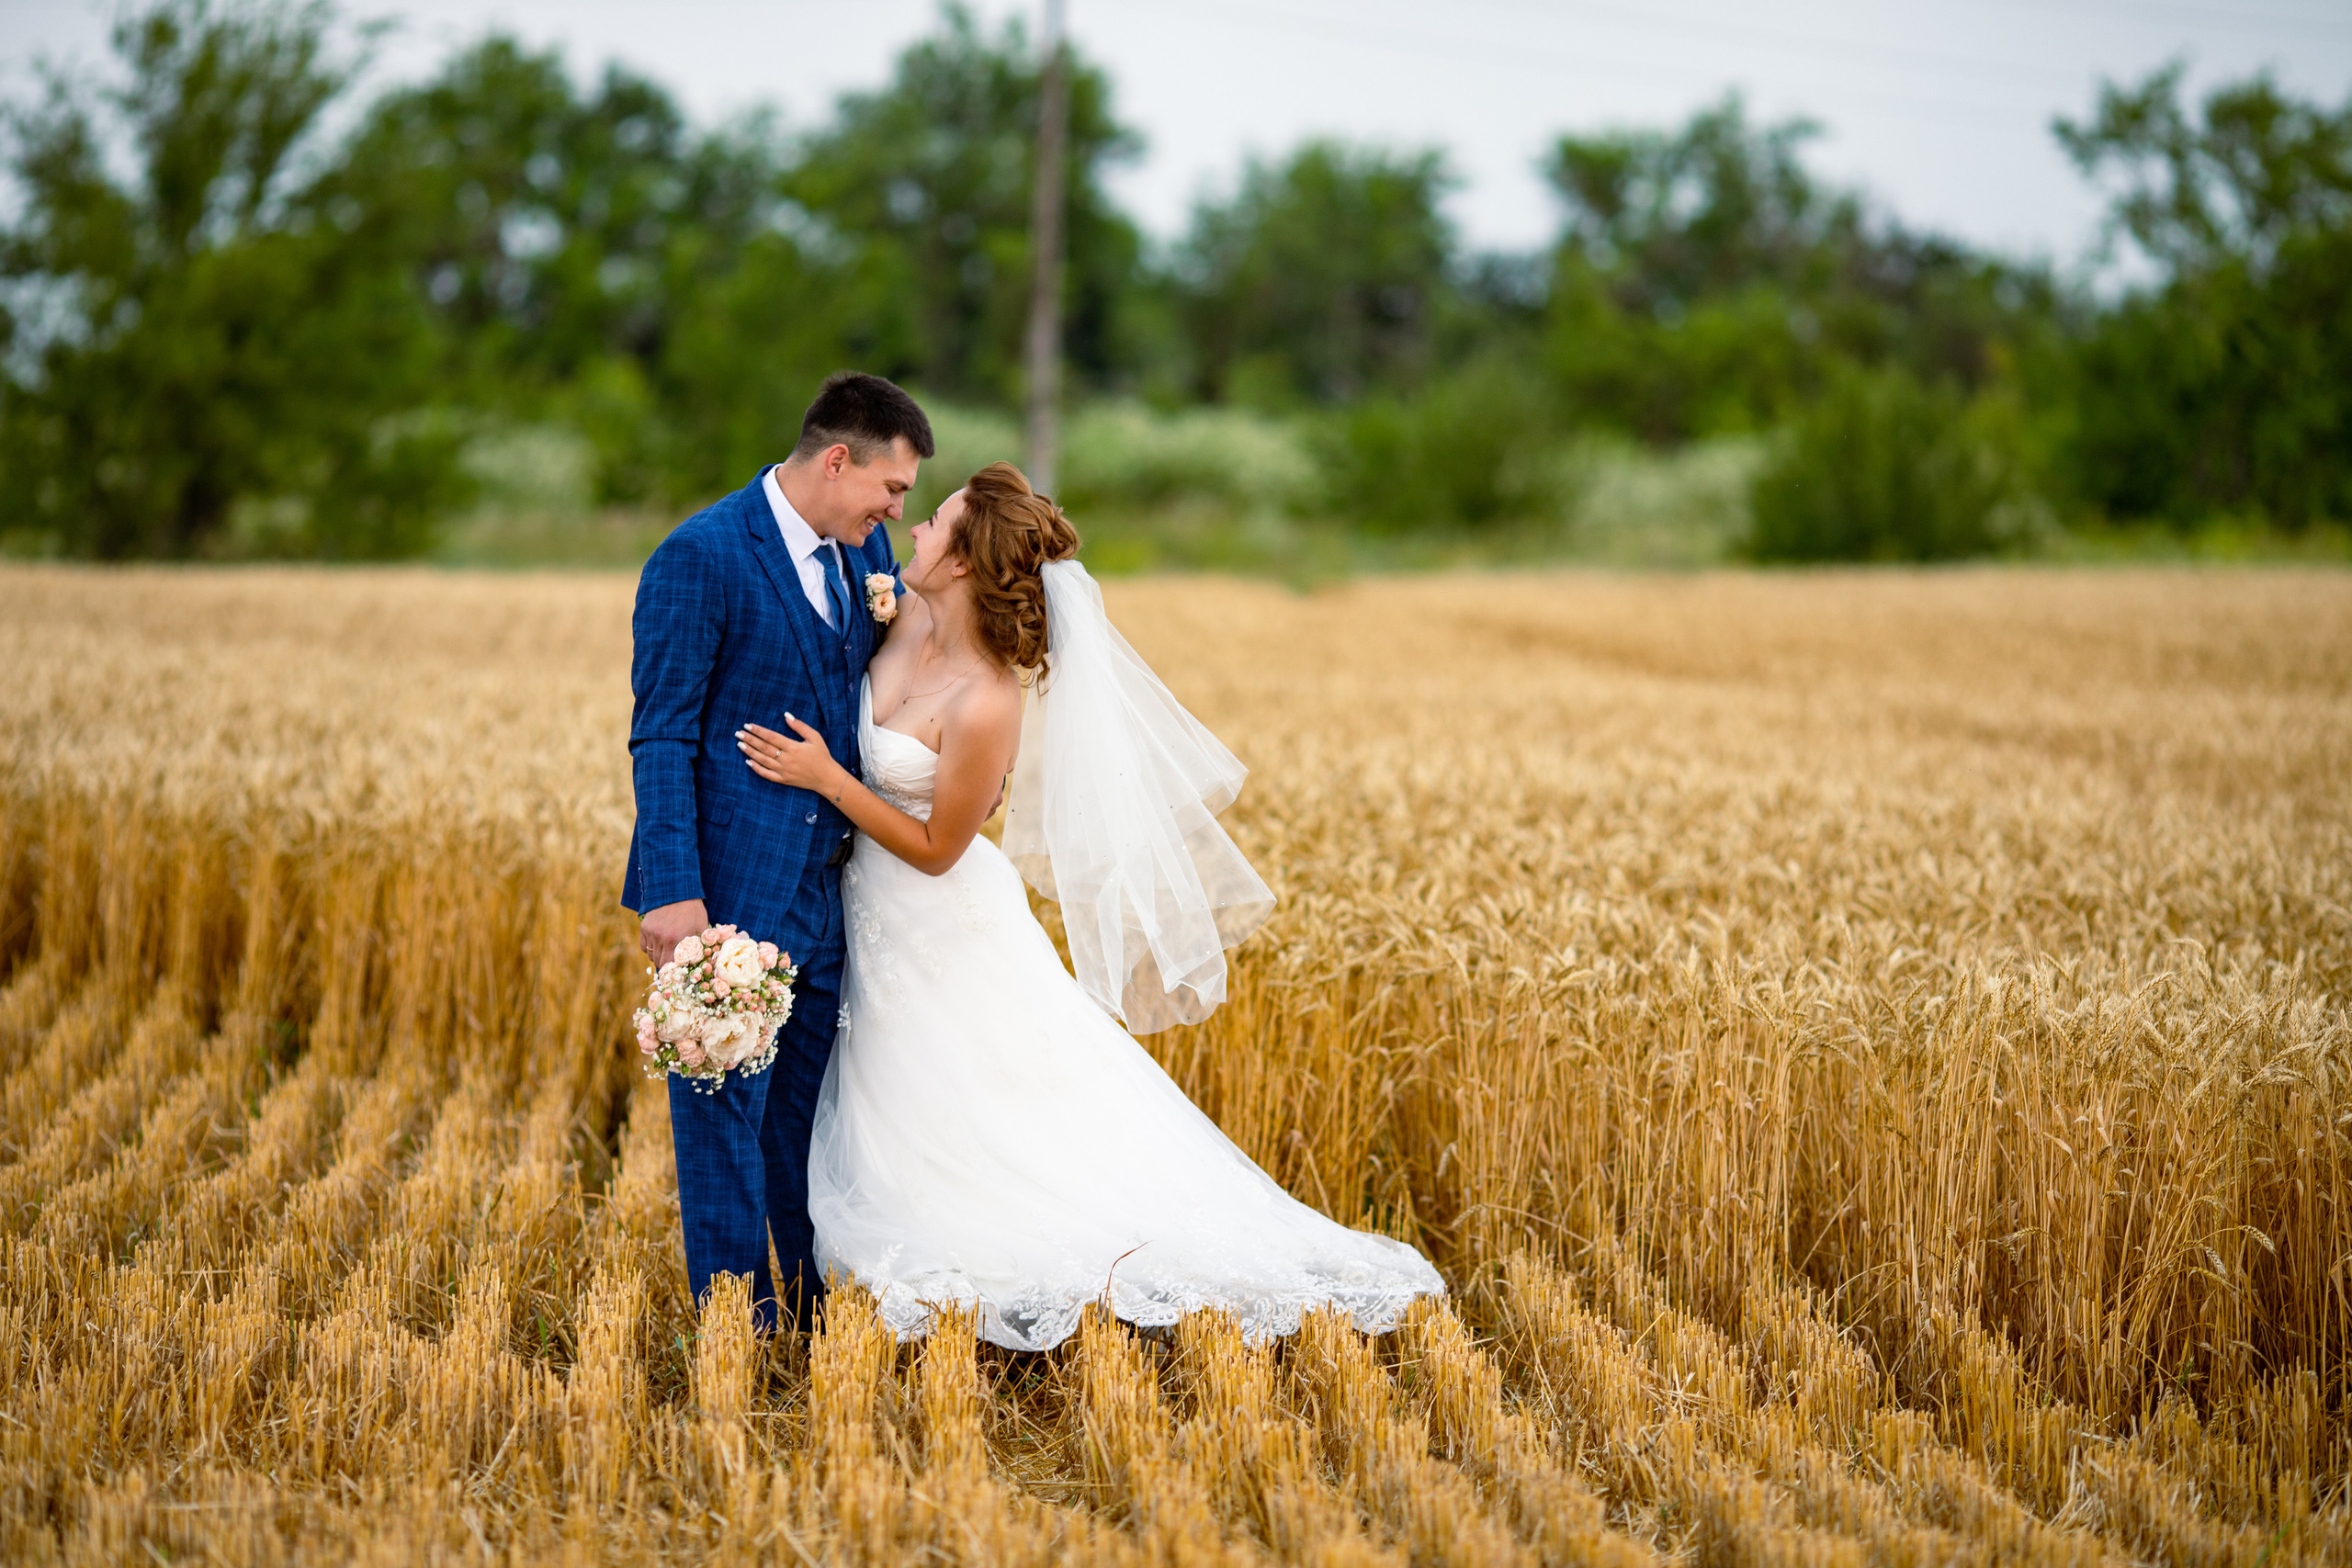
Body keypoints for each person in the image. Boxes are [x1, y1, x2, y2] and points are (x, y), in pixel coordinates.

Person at [736, 461, 1443, 1350]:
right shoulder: (902, 614)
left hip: (939, 915)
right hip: (866, 914)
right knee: (910, 1097)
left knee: (978, 1101)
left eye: (936, 522)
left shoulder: (987, 699)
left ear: (961, 562)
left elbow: (936, 848)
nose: (911, 530)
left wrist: (829, 779)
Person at [622, 370, 931, 1335]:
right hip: (726, 892)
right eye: (891, 487)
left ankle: (798, 1315)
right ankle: (730, 1327)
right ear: (837, 461)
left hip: (832, 894)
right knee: (720, 1117)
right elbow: (663, 734)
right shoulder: (700, 556)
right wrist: (671, 895)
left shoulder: (862, 550)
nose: (894, 511)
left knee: (806, 1115)